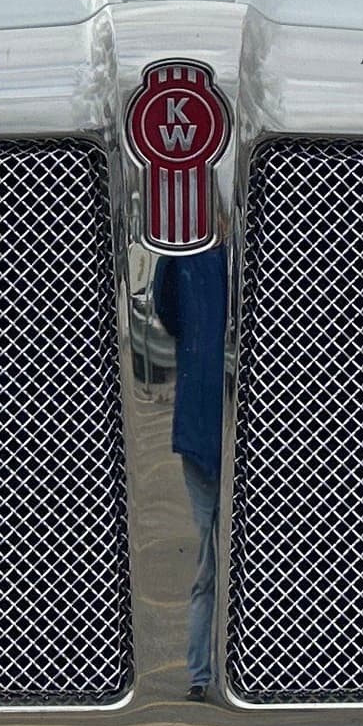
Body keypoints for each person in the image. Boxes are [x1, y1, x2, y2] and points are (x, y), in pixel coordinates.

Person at [149, 243, 229, 698]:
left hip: (197, 423)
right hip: (214, 422)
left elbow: (167, 314)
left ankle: (201, 674)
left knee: (205, 560)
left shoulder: (183, 257)